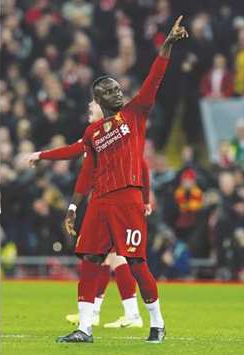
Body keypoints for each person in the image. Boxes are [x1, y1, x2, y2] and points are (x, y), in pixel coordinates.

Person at [55, 15, 188, 344]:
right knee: (90, 260)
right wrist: (74, 207)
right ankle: (84, 328)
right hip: (99, 202)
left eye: (117, 87)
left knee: (136, 262)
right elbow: (85, 169)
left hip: (126, 200)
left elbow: (154, 80)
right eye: (110, 90)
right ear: (100, 99)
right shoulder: (92, 132)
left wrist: (166, 46)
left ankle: (156, 322)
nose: (118, 91)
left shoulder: (135, 113)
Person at [24, 100, 149, 329]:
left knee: (112, 255)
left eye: (92, 104)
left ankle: (129, 314)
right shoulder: (96, 134)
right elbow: (73, 150)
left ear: (104, 107)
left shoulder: (120, 131)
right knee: (104, 256)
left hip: (118, 204)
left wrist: (146, 199)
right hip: (103, 204)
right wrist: (43, 155)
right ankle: (100, 313)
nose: (89, 108)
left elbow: (141, 164)